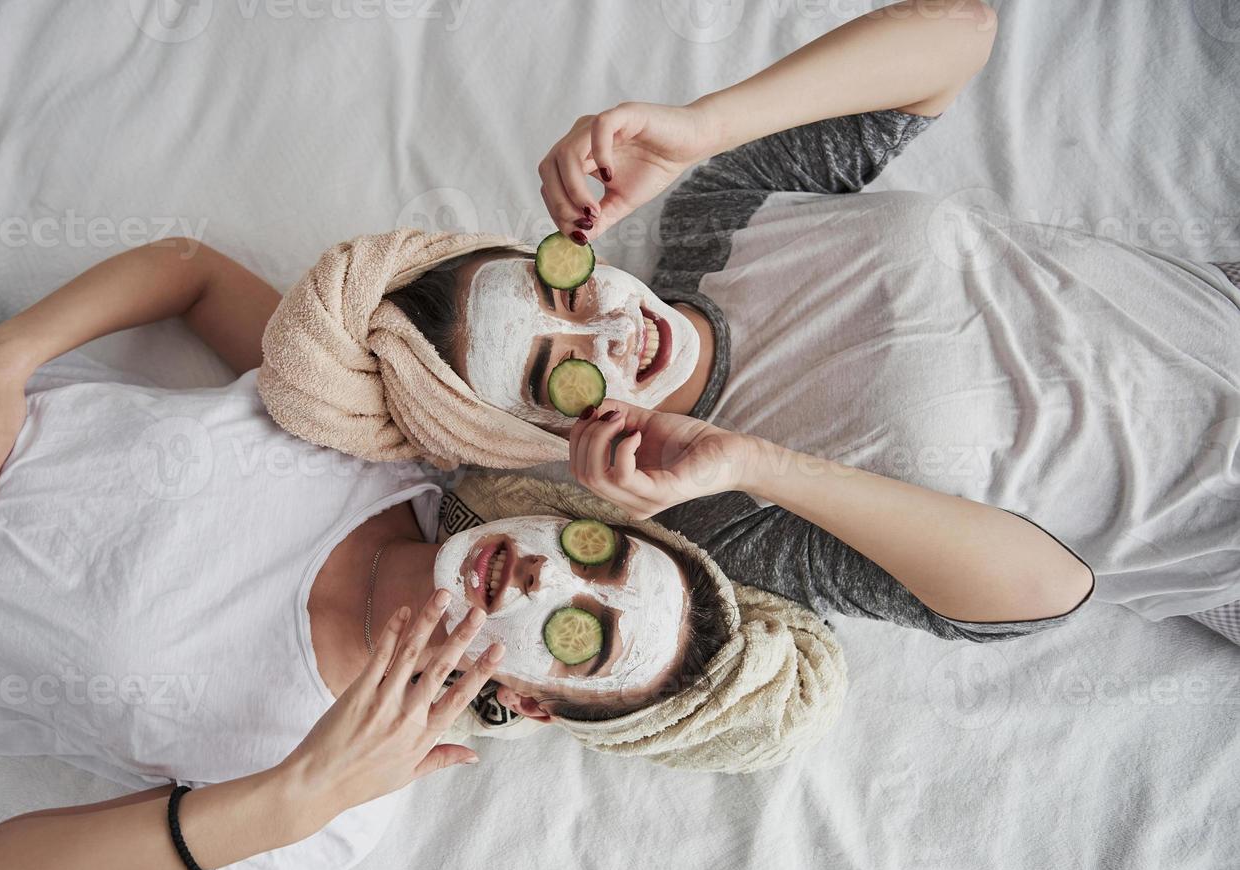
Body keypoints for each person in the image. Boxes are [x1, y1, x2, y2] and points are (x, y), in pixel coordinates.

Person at [0, 252, 844, 870]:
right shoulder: (383, 444)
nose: (544, 575)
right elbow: (188, 273)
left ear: (526, 702)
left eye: (582, 631)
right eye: (594, 552)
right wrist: (7, 356)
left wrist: (297, 792)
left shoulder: (331, 813)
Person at [257, 0, 1240, 643]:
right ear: (541, 435)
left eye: (559, 292)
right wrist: (760, 465)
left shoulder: (714, 215)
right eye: (557, 374)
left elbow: (960, 32)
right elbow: (1047, 590)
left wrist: (705, 127)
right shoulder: (714, 512)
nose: (605, 332)